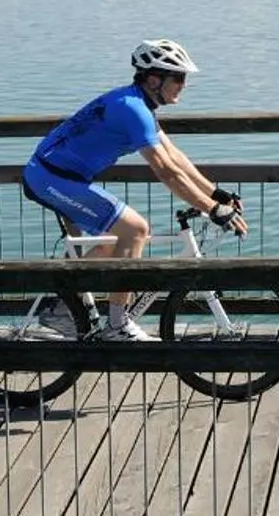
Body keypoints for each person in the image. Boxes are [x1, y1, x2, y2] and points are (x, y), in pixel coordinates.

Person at [23, 40, 246, 341]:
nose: (183, 85)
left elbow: (175, 157)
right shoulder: (132, 110)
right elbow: (166, 171)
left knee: (119, 244)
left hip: (63, 176)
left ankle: (63, 303)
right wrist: (212, 209)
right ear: (154, 79)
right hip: (51, 178)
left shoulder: (140, 105)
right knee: (135, 230)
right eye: (178, 78)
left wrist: (215, 194)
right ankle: (116, 324)